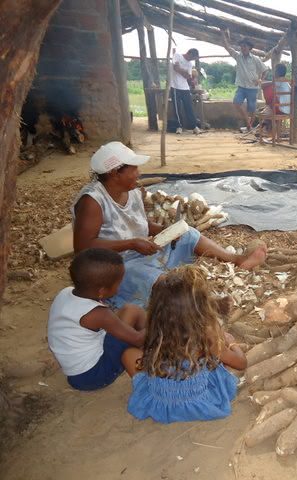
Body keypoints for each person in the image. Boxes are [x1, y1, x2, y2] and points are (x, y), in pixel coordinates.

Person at [72, 141, 267, 309]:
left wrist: (165, 231)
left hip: (140, 252)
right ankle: (201, 304)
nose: (139, 173)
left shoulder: (132, 191)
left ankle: (236, 259)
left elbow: (141, 223)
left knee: (189, 234)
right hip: (115, 265)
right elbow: (83, 248)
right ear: (115, 172)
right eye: (134, 169)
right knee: (146, 276)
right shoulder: (93, 201)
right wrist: (131, 244)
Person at [123, 266, 246, 423]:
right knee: (217, 362)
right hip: (200, 402)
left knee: (127, 354)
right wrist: (231, 343)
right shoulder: (207, 332)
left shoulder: (156, 328)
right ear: (201, 306)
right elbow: (241, 363)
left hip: (161, 403)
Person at [47, 248, 147, 391]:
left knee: (131, 310)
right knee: (133, 345)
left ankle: (152, 347)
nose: (119, 287)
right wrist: (160, 323)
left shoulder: (66, 292)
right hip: (94, 375)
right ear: (102, 291)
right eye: (118, 283)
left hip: (77, 373)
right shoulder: (98, 314)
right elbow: (137, 339)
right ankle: (152, 372)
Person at [221, 30, 268, 131]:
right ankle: (248, 124)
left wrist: (260, 80)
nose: (243, 48)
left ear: (249, 48)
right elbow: (227, 47)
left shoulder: (255, 59)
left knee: (252, 109)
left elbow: (265, 70)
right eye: (241, 46)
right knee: (236, 103)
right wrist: (223, 34)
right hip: (241, 87)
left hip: (252, 88)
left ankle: (249, 127)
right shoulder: (238, 57)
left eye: (245, 46)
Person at [170, 48, 201, 135]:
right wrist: (184, 72)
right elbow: (175, 68)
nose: (192, 60)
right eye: (192, 58)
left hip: (185, 87)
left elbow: (188, 76)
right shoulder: (177, 56)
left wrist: (182, 70)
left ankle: (194, 126)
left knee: (189, 107)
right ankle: (179, 126)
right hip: (175, 86)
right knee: (177, 108)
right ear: (189, 54)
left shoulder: (190, 64)